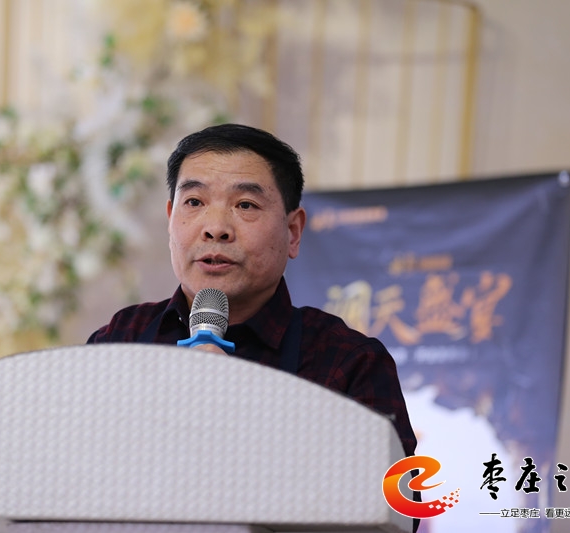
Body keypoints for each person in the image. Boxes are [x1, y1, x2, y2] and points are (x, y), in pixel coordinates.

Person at [87, 123, 416, 458]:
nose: (216, 228)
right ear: (171, 219)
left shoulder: (349, 362)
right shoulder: (121, 339)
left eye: (245, 205)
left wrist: (247, 412)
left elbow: (399, 490)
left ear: (293, 232)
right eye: (195, 201)